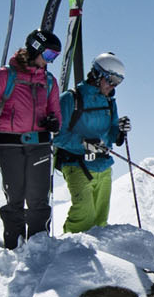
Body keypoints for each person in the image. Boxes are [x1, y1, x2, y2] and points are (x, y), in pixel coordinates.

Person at [0, 30, 63, 250]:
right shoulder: (5, 75)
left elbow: (56, 114)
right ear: (35, 48)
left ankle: (39, 247)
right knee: (15, 195)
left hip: (39, 144)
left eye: (54, 57)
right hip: (8, 144)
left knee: (38, 197)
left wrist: (54, 123)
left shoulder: (49, 81)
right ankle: (15, 247)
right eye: (48, 55)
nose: (50, 61)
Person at [53, 51, 129, 232]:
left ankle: (101, 256)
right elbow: (57, 136)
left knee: (100, 220)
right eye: (110, 79)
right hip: (77, 163)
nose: (112, 86)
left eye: (117, 82)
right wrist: (83, 144)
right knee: (84, 215)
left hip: (103, 166)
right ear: (96, 74)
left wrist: (119, 131)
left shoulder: (110, 102)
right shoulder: (71, 98)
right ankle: (68, 252)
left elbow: (110, 133)